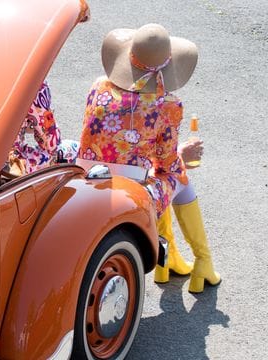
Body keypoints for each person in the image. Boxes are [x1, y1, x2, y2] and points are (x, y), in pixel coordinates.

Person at [77, 24, 220, 293]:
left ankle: (170, 262)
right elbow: (167, 164)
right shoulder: (167, 105)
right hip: (129, 193)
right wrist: (184, 155)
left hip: (87, 180)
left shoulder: (99, 87)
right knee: (179, 177)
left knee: (158, 172)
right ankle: (203, 262)